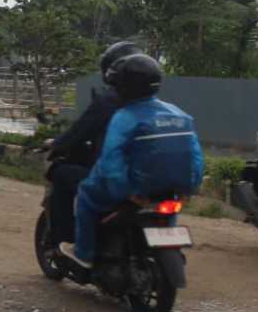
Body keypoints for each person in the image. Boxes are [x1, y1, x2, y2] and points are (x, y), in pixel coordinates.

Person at [61, 54, 204, 269]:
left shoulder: (125, 117)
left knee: (85, 195)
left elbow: (111, 162)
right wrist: (191, 186)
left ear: (124, 86)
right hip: (176, 189)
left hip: (137, 191)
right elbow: (195, 156)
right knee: (168, 208)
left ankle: (84, 253)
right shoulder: (179, 114)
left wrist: (123, 192)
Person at [43, 41, 142, 244]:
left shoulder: (108, 101)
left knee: (61, 174)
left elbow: (79, 132)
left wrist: (56, 144)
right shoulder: (152, 103)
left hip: (118, 177)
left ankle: (66, 240)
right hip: (150, 177)